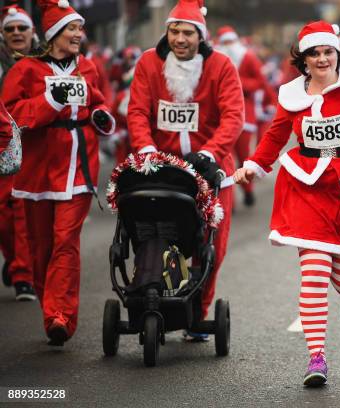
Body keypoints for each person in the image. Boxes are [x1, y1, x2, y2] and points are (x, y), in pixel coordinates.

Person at [233, 21, 340, 387]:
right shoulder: (291, 94)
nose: (322, 59)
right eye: (314, 53)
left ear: (337, 55)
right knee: (313, 270)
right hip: (307, 185)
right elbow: (276, 134)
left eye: (328, 52)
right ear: (303, 59)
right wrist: (254, 165)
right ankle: (317, 357)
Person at [127, 0, 243, 341]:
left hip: (210, 167)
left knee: (211, 246)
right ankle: (155, 299)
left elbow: (234, 116)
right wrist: (146, 150)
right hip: (162, 168)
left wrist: (211, 152)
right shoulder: (149, 62)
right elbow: (137, 111)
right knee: (160, 234)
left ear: (200, 36)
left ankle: (197, 314)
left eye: (187, 32)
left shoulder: (220, 66)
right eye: (174, 31)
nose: (179, 38)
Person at [2, 0, 116, 345]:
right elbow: (11, 114)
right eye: (73, 29)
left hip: (78, 169)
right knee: (41, 250)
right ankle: (50, 307)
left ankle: (60, 317)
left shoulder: (90, 68)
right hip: (36, 173)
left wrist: (101, 117)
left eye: (80, 29)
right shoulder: (25, 71)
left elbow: (102, 103)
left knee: (66, 243)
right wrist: (51, 104)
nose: (79, 35)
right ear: (53, 35)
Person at [0, 2, 36, 301]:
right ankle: (15, 262)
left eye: (21, 27)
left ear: (32, 31)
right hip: (4, 148)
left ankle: (24, 275)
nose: (15, 33)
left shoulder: (43, 60)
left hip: (35, 147)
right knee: (5, 218)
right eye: (9, 29)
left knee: (23, 213)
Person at [215, 25, 267, 207]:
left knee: (244, 156)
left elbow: (260, 81)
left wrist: (239, 82)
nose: (228, 45)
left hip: (245, 115)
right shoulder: (216, 60)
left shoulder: (248, 57)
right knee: (223, 158)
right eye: (224, 42)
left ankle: (248, 190)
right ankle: (229, 201)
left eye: (230, 42)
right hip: (221, 117)